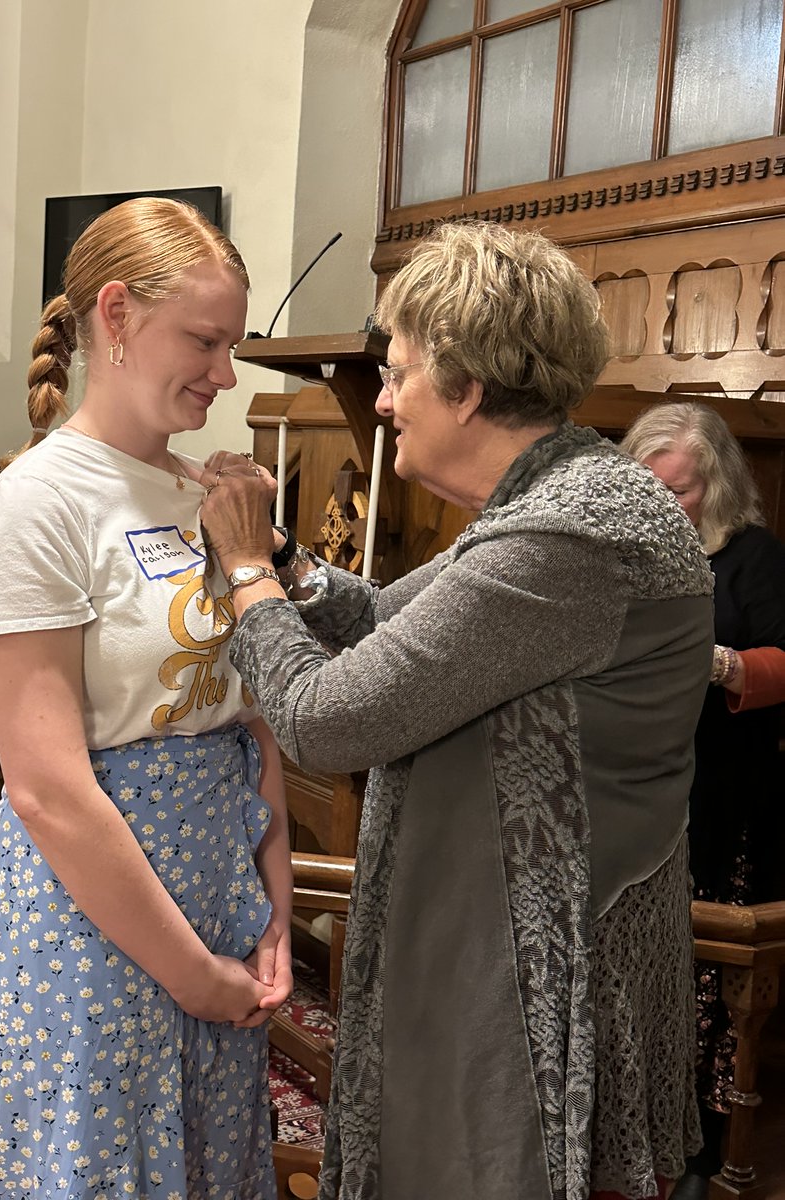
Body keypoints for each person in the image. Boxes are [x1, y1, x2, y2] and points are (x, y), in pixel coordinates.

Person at [198, 220, 713, 1200]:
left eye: (397, 373)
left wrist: (245, 570)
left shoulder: (567, 537)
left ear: (467, 385)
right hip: (523, 942)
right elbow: (388, 617)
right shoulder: (561, 497)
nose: (385, 401)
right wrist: (293, 561)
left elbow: (321, 722)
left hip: (536, 980)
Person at [0, 197, 292, 1200]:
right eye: (205, 342)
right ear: (117, 317)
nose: (225, 374)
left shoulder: (212, 496)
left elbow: (250, 723)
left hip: (217, 918)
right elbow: (47, 791)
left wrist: (275, 914)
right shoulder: (38, 502)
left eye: (233, 345)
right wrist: (189, 970)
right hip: (89, 944)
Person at [621, 401, 785, 1197]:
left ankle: (698, 1142)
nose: (661, 507)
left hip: (723, 797)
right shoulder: (623, 555)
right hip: (633, 793)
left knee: (705, 980)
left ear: (714, 489)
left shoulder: (751, 557)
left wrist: (716, 663)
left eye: (677, 494)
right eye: (647, 490)